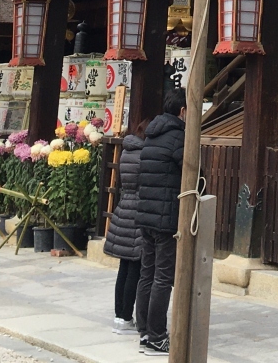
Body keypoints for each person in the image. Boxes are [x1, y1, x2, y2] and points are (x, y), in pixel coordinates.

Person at [133, 89, 186, 356]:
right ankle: (156, 337)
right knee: (163, 277)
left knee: (147, 273)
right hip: (165, 217)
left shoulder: (151, 135)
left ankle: (144, 331)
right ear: (183, 111)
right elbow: (193, 172)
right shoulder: (178, 137)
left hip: (146, 214)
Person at [103, 119, 148, 333]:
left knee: (124, 267)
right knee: (134, 269)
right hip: (138, 211)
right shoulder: (144, 154)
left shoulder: (127, 151)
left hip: (124, 208)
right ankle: (127, 316)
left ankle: (119, 316)